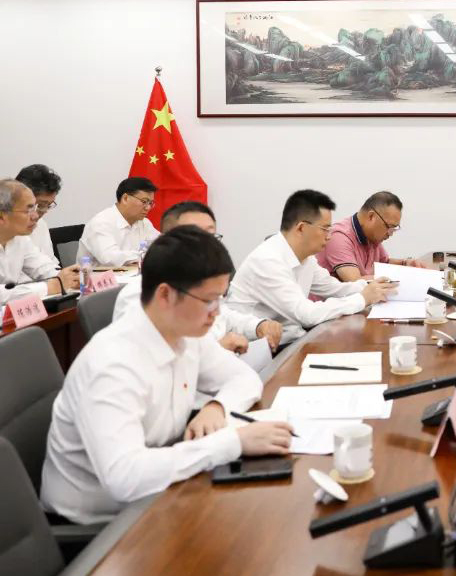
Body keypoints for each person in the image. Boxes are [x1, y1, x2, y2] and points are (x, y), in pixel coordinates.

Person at [41, 227, 294, 525]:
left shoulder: (184, 334)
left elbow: (244, 379)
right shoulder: (112, 365)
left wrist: (217, 407)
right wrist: (231, 443)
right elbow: (125, 477)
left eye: (220, 299)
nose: (216, 313)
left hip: (158, 489)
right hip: (99, 525)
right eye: (208, 301)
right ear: (165, 295)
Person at [227, 190, 395, 343]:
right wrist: (362, 298)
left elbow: (335, 288)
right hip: (256, 351)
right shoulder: (268, 261)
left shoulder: (306, 259)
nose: (329, 236)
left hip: (292, 339)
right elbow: (306, 314)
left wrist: (372, 287)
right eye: (325, 229)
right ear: (301, 228)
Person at [113, 201, 283, 352]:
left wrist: (258, 326)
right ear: (167, 241)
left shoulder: (203, 282)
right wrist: (217, 350)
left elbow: (224, 316)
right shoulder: (142, 295)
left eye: (211, 236)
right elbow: (152, 359)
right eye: (195, 236)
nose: (207, 245)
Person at [317, 191, 426, 281]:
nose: (390, 233)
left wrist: (406, 263)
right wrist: (405, 276)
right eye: (389, 226)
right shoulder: (339, 237)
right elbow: (355, 283)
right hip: (335, 301)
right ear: (371, 216)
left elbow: (384, 263)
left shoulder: (372, 237)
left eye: (394, 228)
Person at [0, 180, 79, 304]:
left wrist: (71, 277)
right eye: (27, 210)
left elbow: (42, 267)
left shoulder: (20, 239)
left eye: (35, 208)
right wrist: (49, 287)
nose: (36, 216)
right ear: (2, 216)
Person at [77, 177, 160, 267]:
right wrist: (146, 255)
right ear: (125, 198)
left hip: (133, 274)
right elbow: (110, 258)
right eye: (144, 201)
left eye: (151, 203)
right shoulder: (100, 223)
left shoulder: (144, 223)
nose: (148, 208)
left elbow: (162, 245)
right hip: (96, 275)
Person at [14, 163, 62, 267]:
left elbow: (50, 263)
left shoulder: (41, 225)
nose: (45, 211)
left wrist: (62, 275)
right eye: (40, 205)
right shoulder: (7, 229)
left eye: (49, 205)